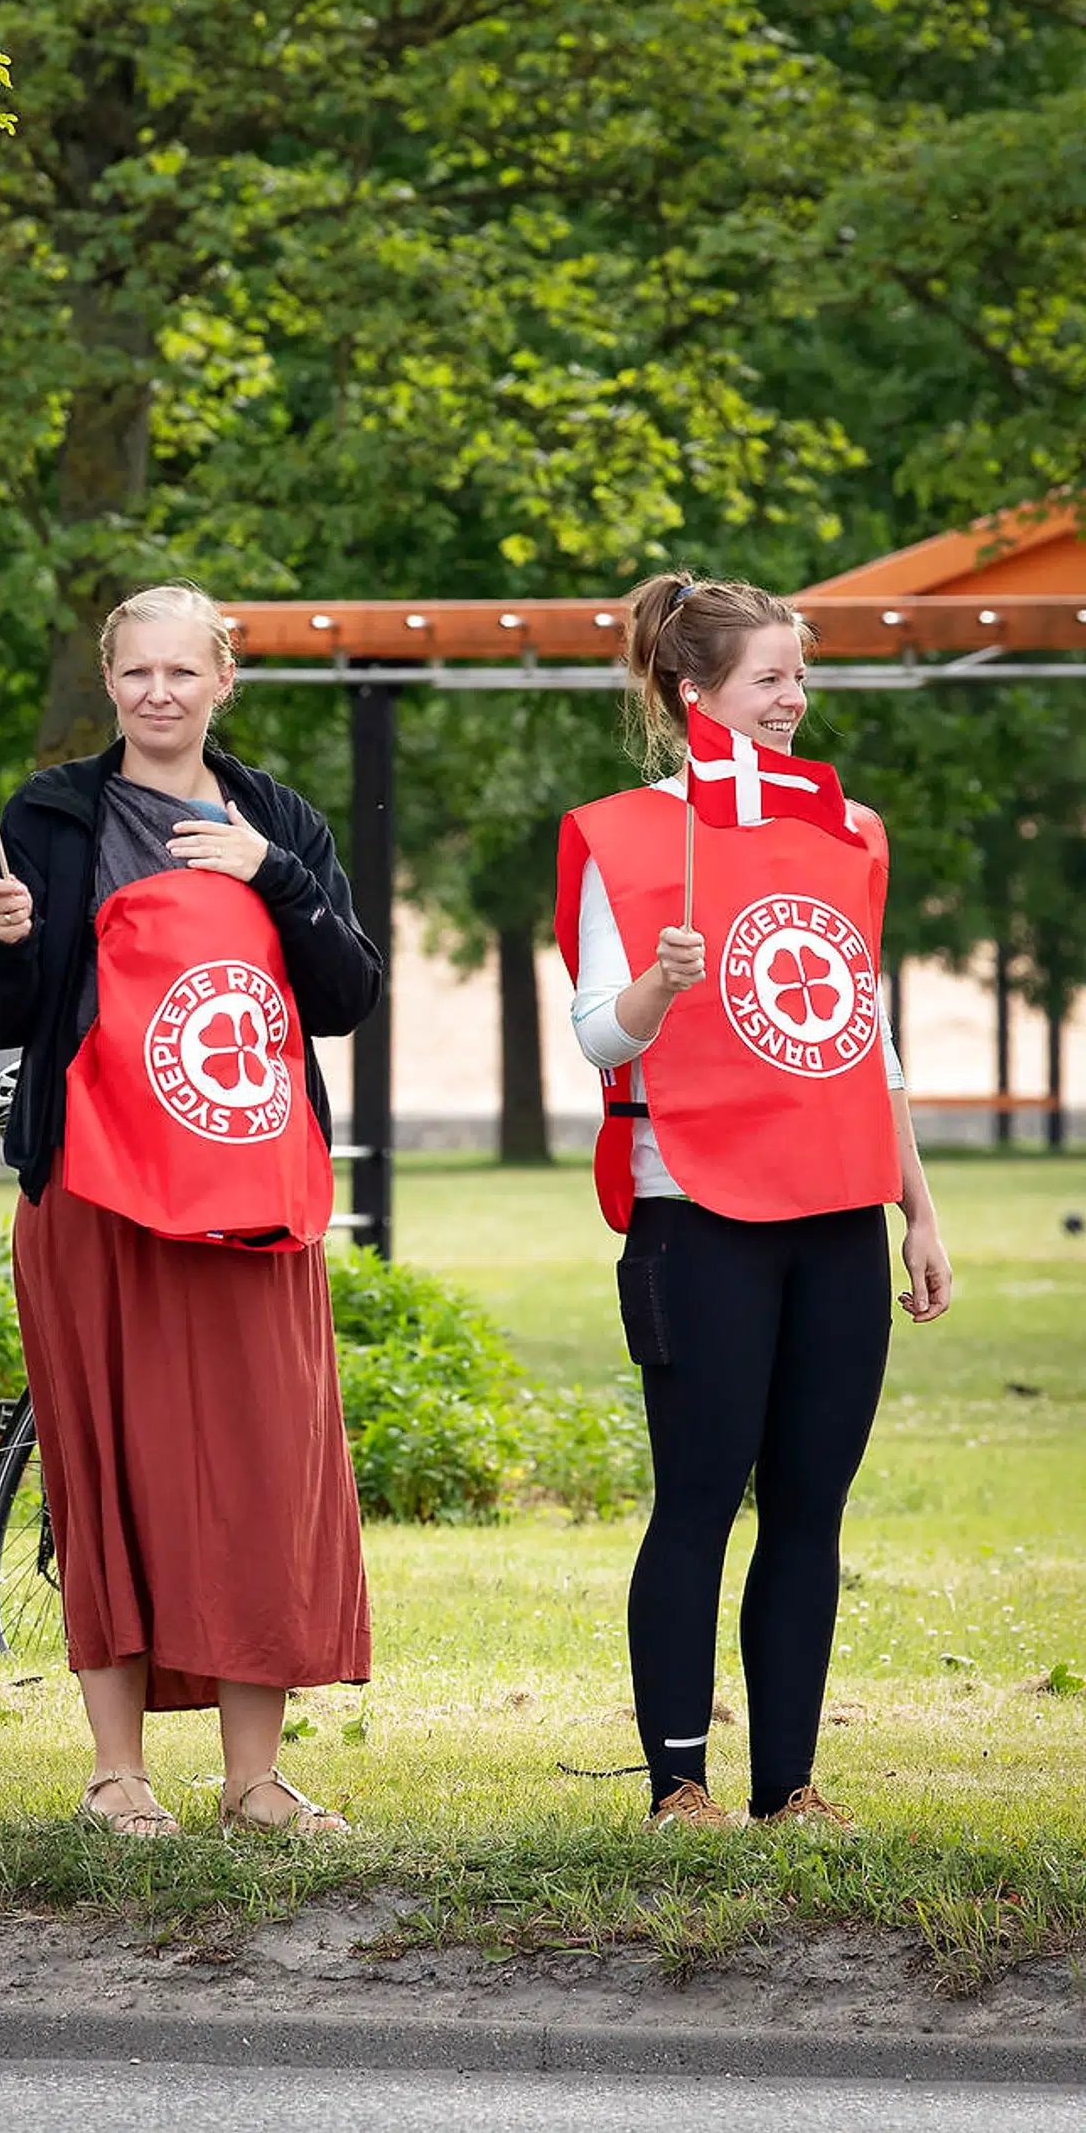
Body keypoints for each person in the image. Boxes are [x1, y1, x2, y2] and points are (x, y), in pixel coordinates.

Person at [0, 583, 379, 1838]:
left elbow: (347, 992)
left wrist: (278, 873)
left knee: (259, 1468)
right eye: (135, 673)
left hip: (248, 1190)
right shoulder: (49, 815)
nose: (156, 694)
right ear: (110, 681)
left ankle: (255, 1783)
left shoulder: (276, 817)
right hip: (93, 1190)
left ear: (221, 683)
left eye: (181, 673)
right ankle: (116, 1775)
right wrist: (14, 944)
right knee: (109, 1468)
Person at [555, 572, 952, 1831]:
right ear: (697, 694)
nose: (795, 699)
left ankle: (791, 1784)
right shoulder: (623, 835)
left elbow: (865, 1038)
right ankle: (680, 1783)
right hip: (702, 1211)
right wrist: (658, 992)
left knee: (811, 1510)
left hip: (839, 1211)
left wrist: (918, 1211)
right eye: (771, 678)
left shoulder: (849, 831)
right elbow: (594, 1040)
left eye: (800, 676)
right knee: (698, 1500)